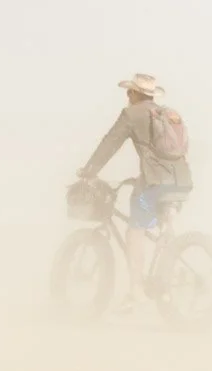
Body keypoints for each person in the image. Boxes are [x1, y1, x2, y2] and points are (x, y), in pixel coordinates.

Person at [79, 73, 193, 313]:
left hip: (153, 185)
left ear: (133, 93)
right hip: (181, 183)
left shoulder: (132, 114)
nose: (127, 96)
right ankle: (168, 259)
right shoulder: (166, 114)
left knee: (136, 229)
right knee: (159, 220)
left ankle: (136, 290)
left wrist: (90, 171)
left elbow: (110, 143)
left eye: (129, 92)